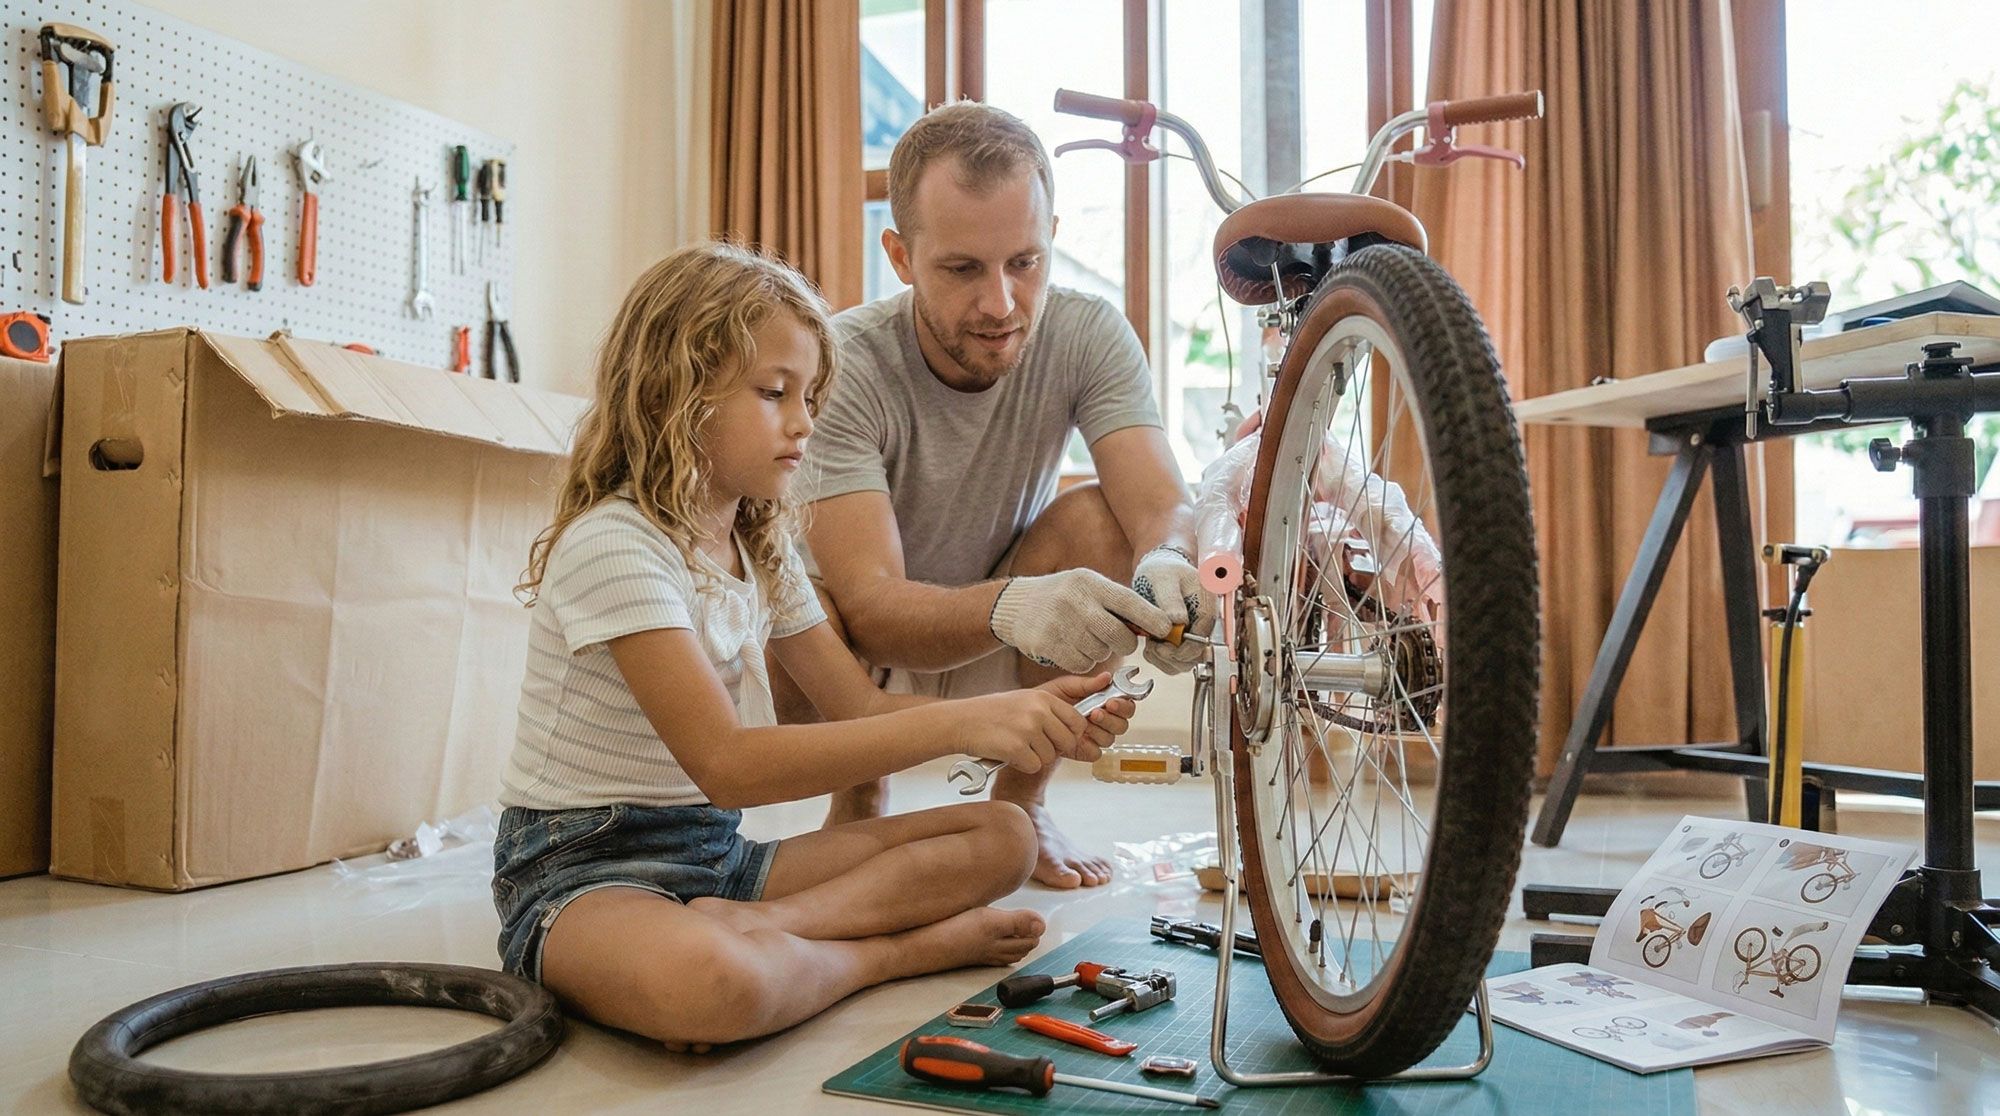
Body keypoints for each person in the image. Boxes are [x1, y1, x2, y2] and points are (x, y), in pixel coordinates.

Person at [491, 242, 1136, 1050]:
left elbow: (857, 709)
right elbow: (724, 763)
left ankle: (779, 926)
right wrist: (976, 723)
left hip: (715, 858)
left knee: (1003, 834)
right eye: (774, 393)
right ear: (674, 397)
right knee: (715, 987)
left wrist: (1035, 715)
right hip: (580, 871)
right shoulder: (615, 545)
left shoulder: (761, 550)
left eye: (810, 395)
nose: (804, 422)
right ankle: (891, 954)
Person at [778, 102, 1215, 889]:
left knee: (1100, 520)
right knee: (805, 586)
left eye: (1025, 262)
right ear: (901, 256)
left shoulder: (1088, 334)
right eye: (962, 269)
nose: (1001, 304)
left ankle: (1022, 805)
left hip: (1002, 638)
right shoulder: (844, 363)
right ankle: (858, 797)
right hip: (866, 657)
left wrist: (1171, 563)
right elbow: (873, 606)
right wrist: (1015, 604)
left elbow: (1158, 503)